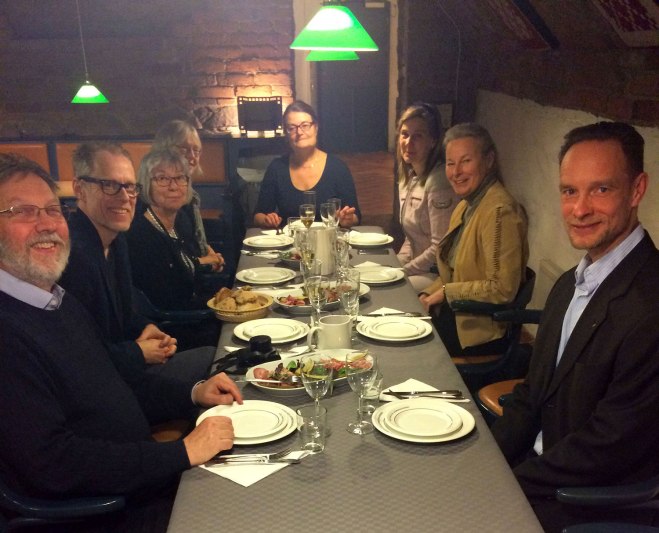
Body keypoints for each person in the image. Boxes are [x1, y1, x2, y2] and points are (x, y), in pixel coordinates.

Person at [0, 153, 241, 529]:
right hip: (109, 514)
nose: (46, 224)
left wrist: (194, 393)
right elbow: (53, 463)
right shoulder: (9, 332)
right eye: (23, 212)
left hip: (144, 477)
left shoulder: (57, 301)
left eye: (52, 210)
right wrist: (181, 452)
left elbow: (116, 384)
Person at [490, 121, 659, 532]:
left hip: (589, 501)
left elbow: (608, 447)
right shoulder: (570, 284)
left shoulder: (650, 306)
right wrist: (485, 460)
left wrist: (503, 485)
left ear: (637, 190)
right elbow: (532, 394)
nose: (580, 210)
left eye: (601, 189)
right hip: (542, 470)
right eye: (569, 191)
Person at [59, 142, 213, 378]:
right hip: (109, 385)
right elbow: (78, 360)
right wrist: (138, 353)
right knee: (216, 360)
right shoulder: (72, 257)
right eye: (110, 185)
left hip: (127, 367)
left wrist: (146, 327)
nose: (124, 197)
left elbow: (126, 313)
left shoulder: (117, 240)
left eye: (129, 186)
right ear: (79, 189)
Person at [419, 123, 528, 357]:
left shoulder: (500, 212)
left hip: (478, 335)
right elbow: (453, 272)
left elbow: (502, 288)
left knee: (407, 349)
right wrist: (427, 294)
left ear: (489, 160)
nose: (456, 172)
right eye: (450, 163)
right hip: (456, 317)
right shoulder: (465, 206)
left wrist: (446, 293)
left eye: (466, 161)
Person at [127, 148, 223, 309]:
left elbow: (184, 265)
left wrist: (209, 263)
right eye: (162, 178)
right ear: (146, 184)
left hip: (194, 304)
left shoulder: (182, 220)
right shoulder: (140, 234)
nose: (173, 186)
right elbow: (165, 297)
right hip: (174, 318)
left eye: (180, 177)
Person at [253, 100, 361, 229]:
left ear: (316, 127)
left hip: (328, 239)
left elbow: (356, 216)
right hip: (289, 239)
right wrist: (267, 219)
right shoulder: (276, 168)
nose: (299, 132)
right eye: (292, 128)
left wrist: (347, 219)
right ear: (286, 134)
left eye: (305, 125)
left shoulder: (338, 168)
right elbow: (258, 215)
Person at [395, 103, 459, 291]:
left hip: (437, 274)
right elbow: (412, 237)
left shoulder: (439, 182)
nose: (408, 143)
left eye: (418, 136)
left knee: (389, 292)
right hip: (418, 268)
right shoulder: (409, 178)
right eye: (405, 134)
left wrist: (402, 271)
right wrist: (395, 265)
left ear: (432, 141)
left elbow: (440, 248)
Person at [153, 119, 224, 268]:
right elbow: (168, 262)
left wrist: (209, 253)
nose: (192, 157)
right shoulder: (161, 197)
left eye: (196, 151)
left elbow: (194, 241)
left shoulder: (191, 195)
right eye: (184, 149)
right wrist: (205, 261)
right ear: (164, 150)